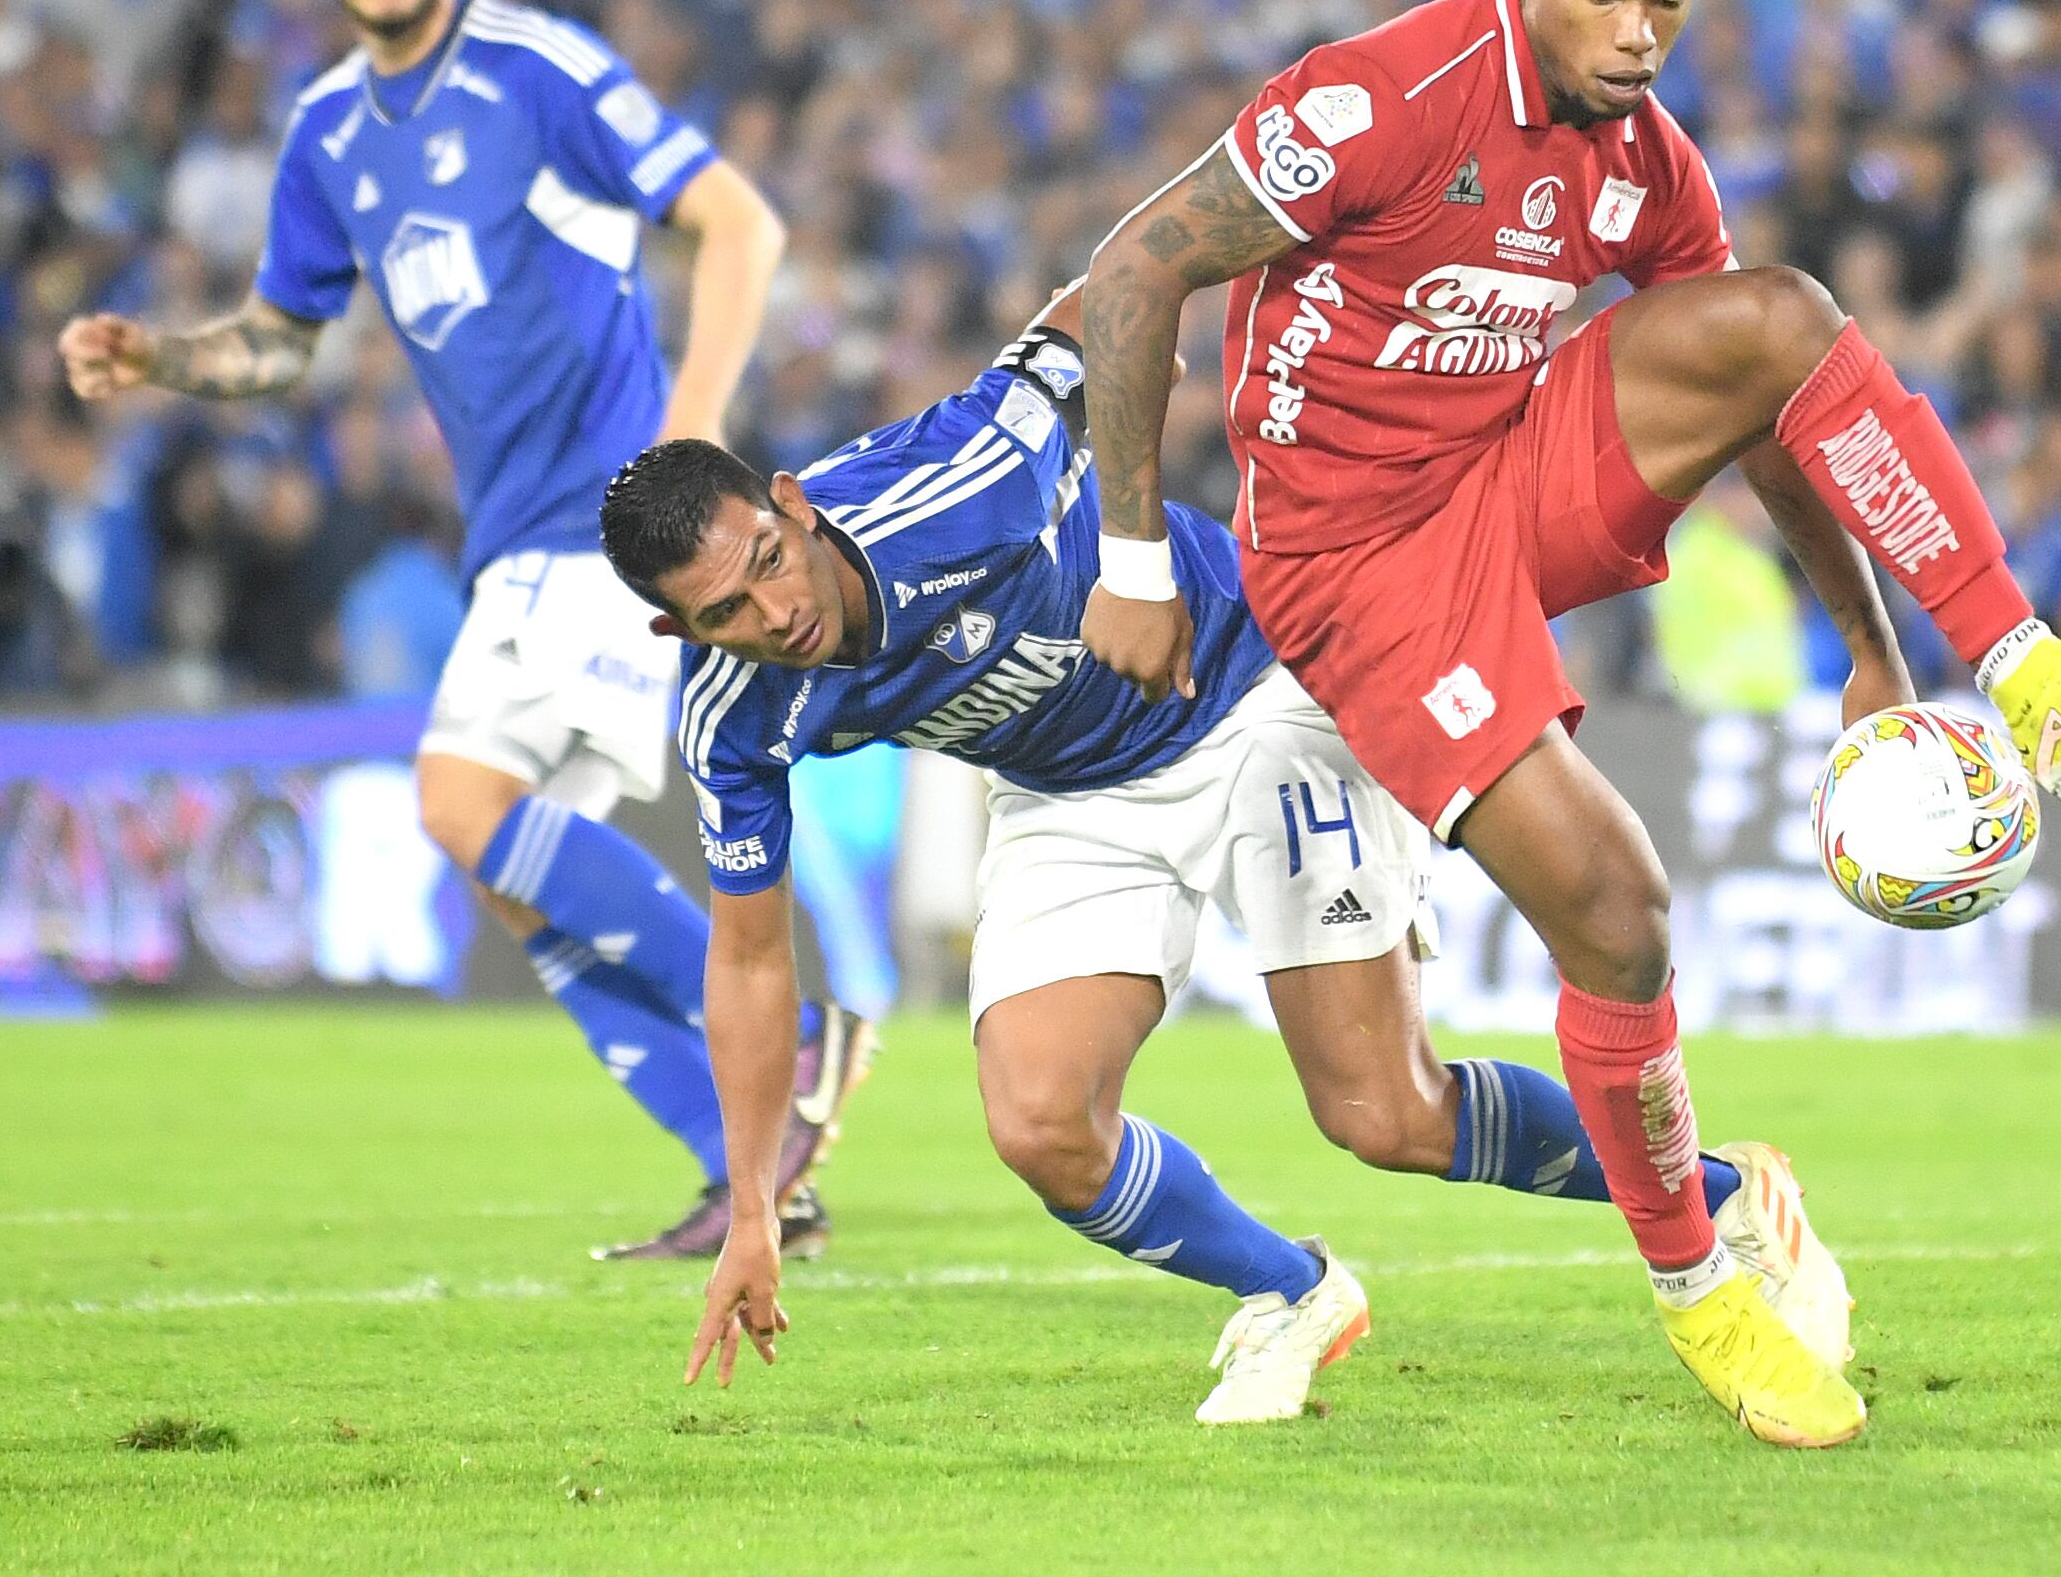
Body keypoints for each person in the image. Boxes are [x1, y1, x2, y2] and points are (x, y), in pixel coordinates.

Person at [1069, 0, 2061, 1448]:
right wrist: (1128, 554)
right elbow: (1134, 270)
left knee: (1773, 312)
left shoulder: (1641, 161)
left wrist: (1871, 649)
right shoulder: (1377, 102)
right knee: (1530, 981)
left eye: (1664, 4)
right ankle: (1709, 1247)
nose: (1632, 35)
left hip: (1498, 476)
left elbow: (1759, 405)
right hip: (1345, 561)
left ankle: (2023, 666)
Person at [600, 288, 1851, 1425]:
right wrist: (756, 1199)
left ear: (792, 505)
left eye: (768, 562)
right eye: (725, 614)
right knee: (1042, 1123)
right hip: (1063, 787)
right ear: (679, 626)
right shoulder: (732, 709)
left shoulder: (958, 481)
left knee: (1384, 1112)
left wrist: (1163, 511)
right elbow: (753, 961)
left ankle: (1729, 1190)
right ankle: (1295, 1289)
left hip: (1255, 684)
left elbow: (1109, 300)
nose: (776, 616)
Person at [54, 0, 865, 1262]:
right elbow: (283, 340)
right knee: (482, 845)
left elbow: (739, 221)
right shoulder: (325, 135)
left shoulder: (538, 71)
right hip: (506, 537)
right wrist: (162, 358)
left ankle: (797, 1042)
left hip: (601, 522)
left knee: (465, 812)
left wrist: (688, 434)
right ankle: (752, 1169)